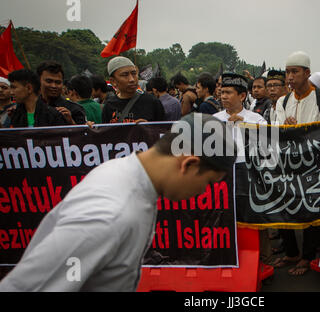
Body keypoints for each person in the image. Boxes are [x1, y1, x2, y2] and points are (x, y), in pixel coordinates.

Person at [0, 113, 237, 291]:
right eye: (208, 183)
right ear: (189, 164)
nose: (202, 192)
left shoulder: (130, 174)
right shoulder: (108, 216)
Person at [272, 51, 320, 276]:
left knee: (312, 209)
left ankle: (308, 256)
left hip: (313, 165)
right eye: (287, 72)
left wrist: (299, 130)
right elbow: (276, 130)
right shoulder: (283, 101)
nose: (289, 77)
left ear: (307, 73)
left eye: (294, 72)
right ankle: (291, 252)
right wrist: (286, 129)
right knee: (283, 206)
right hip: (287, 165)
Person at [102, 56, 166, 124]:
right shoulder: (109, 105)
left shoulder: (153, 102)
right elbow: (105, 132)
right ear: (113, 81)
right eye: (125, 75)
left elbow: (164, 131)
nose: (132, 79)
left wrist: (148, 128)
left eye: (134, 73)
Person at [36, 61, 87, 125]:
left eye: (58, 82)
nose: (53, 86)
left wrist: (71, 122)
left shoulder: (75, 110)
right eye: (49, 81)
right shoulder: (29, 108)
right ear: (38, 81)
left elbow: (82, 133)